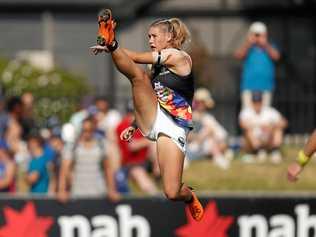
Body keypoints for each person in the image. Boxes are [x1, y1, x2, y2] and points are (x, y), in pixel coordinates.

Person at [91, 9, 204, 221]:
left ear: (169, 37)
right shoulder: (156, 65)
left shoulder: (178, 56)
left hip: (174, 126)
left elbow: (139, 57)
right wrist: (134, 124)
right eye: (148, 37)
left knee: (171, 192)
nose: (150, 40)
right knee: (139, 78)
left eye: (154, 36)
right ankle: (111, 39)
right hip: (155, 117)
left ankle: (188, 195)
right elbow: (149, 93)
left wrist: (111, 48)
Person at [58, 117, 120, 202]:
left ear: (94, 129)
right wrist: (62, 190)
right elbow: (64, 170)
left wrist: (112, 190)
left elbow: (108, 169)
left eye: (89, 130)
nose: (87, 133)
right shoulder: (72, 146)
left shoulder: (102, 145)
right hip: (77, 193)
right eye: (84, 130)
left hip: (99, 193)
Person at [234, 21, 280, 108]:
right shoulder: (248, 48)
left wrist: (265, 44)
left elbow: (276, 57)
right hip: (248, 86)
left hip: (266, 87)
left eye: (260, 35)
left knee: (265, 114)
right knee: (248, 113)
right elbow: (238, 55)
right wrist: (249, 43)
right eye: (256, 34)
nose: (258, 37)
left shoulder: (270, 46)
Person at [116, 104, 158, 195]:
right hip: (129, 164)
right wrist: (149, 140)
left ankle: (158, 172)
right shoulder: (124, 124)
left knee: (155, 145)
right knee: (138, 172)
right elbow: (132, 146)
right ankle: (156, 197)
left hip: (145, 161)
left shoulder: (142, 125)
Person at [187, 88, 232, 169]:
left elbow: (223, 136)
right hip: (192, 148)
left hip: (207, 146)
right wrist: (199, 137)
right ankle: (218, 157)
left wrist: (207, 135)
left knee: (212, 138)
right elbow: (186, 136)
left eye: (202, 103)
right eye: (199, 102)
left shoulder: (208, 117)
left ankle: (217, 156)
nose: (201, 105)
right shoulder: (189, 116)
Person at [239, 92, 287, 163]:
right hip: (254, 138)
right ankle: (259, 151)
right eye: (255, 102)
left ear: (262, 102)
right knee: (248, 131)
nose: (257, 104)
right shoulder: (246, 112)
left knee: (278, 130)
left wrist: (272, 126)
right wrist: (259, 126)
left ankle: (275, 151)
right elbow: (242, 124)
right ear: (252, 102)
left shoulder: (270, 111)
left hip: (268, 137)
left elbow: (284, 122)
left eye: (259, 101)